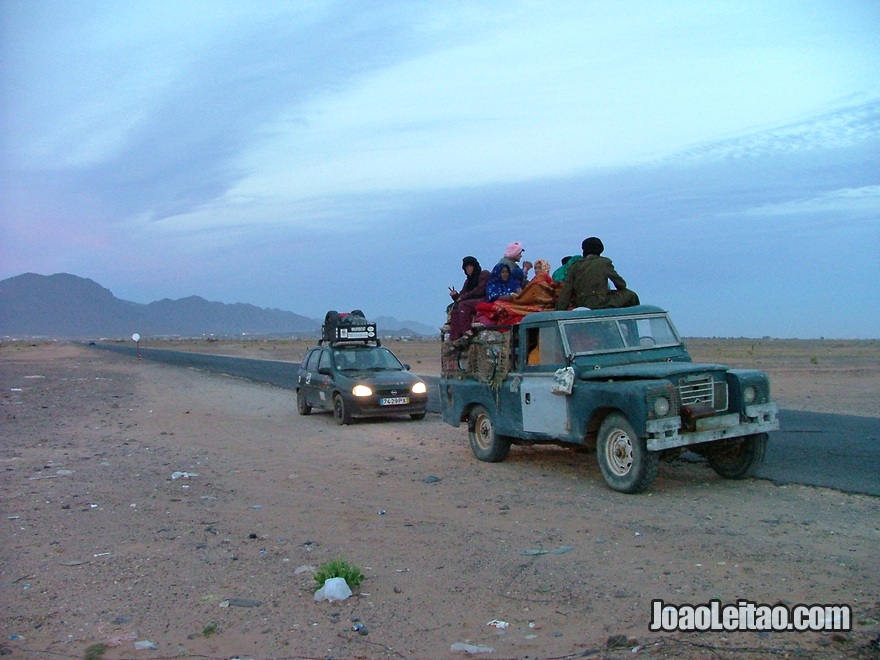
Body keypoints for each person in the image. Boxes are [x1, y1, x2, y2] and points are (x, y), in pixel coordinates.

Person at [555, 237, 640, 310]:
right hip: (600, 302)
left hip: (581, 303)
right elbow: (621, 284)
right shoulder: (604, 262)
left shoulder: (574, 266)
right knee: (631, 295)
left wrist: (560, 310)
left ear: (584, 250)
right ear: (601, 249)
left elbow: (566, 291)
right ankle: (630, 326)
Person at [479, 259, 560, 325]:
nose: (505, 274)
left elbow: (523, 296)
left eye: (507, 272)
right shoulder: (492, 285)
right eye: (503, 272)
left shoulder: (547, 282)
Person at [447, 256, 491, 341]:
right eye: (466, 268)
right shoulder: (468, 282)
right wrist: (455, 295)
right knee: (455, 312)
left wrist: (463, 297)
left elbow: (480, 290)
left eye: (470, 267)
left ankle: (467, 331)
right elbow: (461, 296)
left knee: (463, 305)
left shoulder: (484, 274)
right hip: (471, 302)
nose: (469, 270)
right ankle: (454, 339)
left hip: (484, 300)